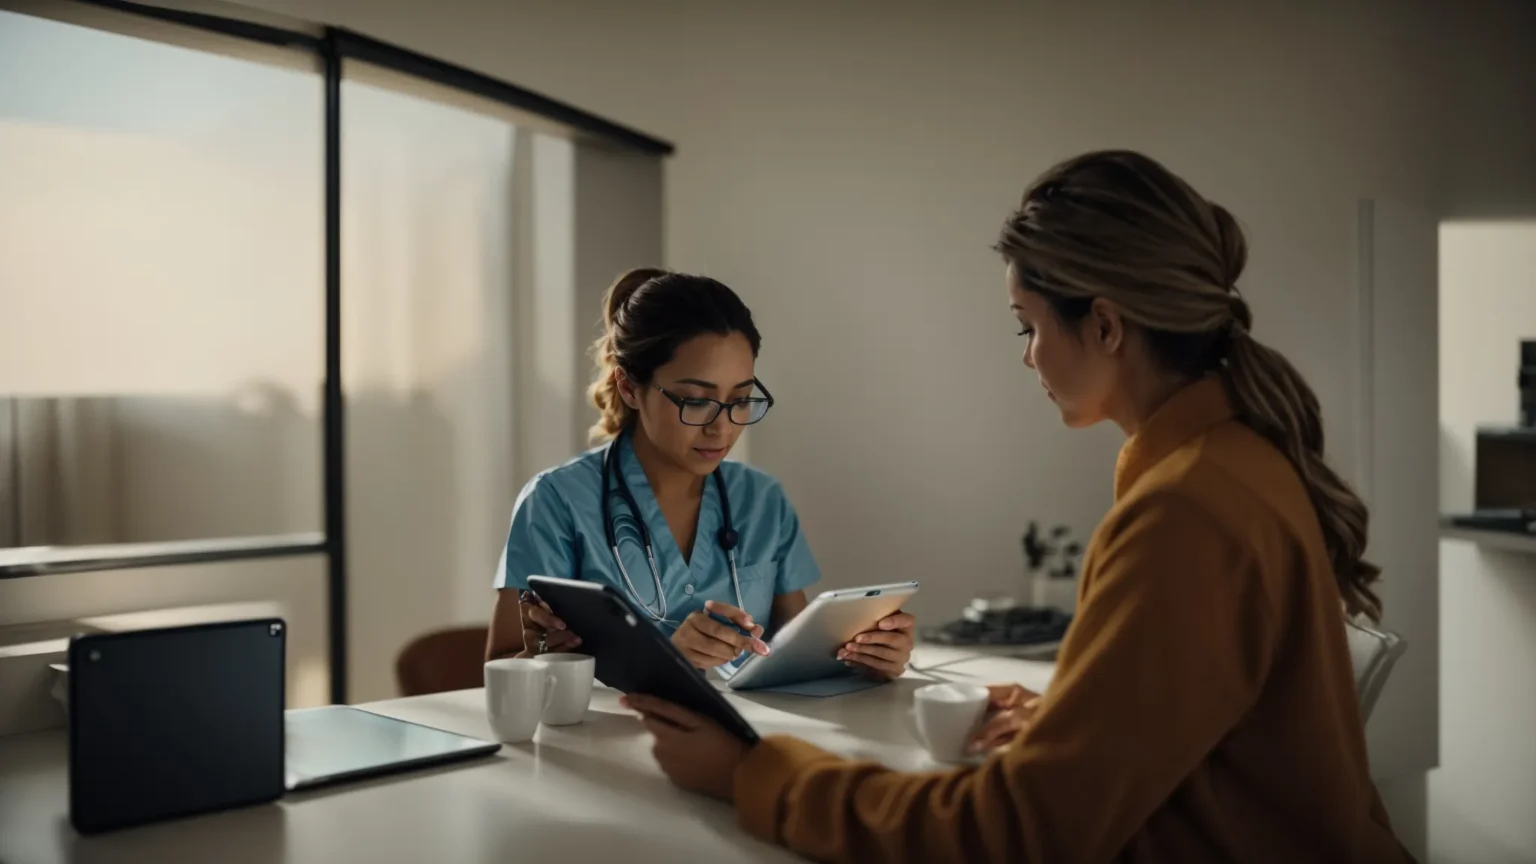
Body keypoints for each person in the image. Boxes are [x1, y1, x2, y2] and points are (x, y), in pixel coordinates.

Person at [620, 152, 1417, 862]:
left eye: (1027, 326)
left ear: (1104, 324)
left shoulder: (1186, 511)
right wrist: (1072, 724)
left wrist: (755, 775)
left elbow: (1021, 832)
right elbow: (1227, 746)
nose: (1029, 355)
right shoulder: (1238, 463)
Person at [486, 268, 915, 679]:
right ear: (630, 388)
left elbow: (793, 656)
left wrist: (864, 659)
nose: (722, 427)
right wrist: (661, 662)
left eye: (741, 399)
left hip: (748, 746)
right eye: (695, 400)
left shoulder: (762, 500)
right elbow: (501, 672)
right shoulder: (556, 502)